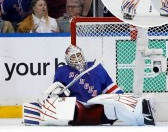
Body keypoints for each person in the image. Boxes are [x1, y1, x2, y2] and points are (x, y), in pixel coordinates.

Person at [23, 45, 156, 126]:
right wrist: (56, 94)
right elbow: (57, 96)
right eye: (73, 57)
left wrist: (122, 100)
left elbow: (111, 88)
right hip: (78, 110)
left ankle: (142, 114)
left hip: (98, 109)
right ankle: (37, 114)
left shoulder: (96, 67)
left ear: (83, 55)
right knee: (64, 108)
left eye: (78, 55)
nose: (77, 59)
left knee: (112, 105)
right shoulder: (62, 72)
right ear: (67, 60)